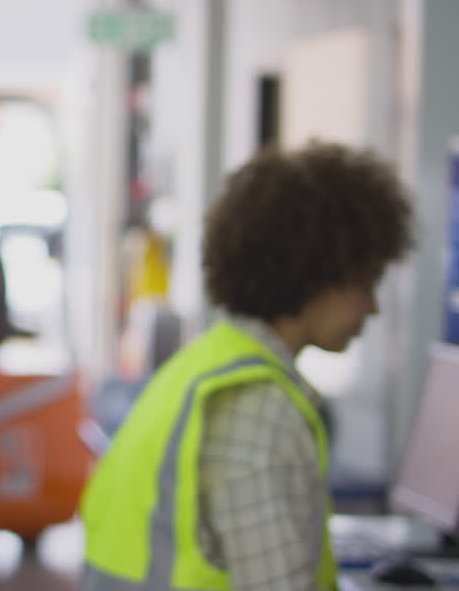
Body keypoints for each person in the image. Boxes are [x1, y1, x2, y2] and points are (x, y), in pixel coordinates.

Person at [80, 142, 414, 591]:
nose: (371, 308)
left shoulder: (205, 364)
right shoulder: (257, 408)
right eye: (366, 283)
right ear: (315, 274)